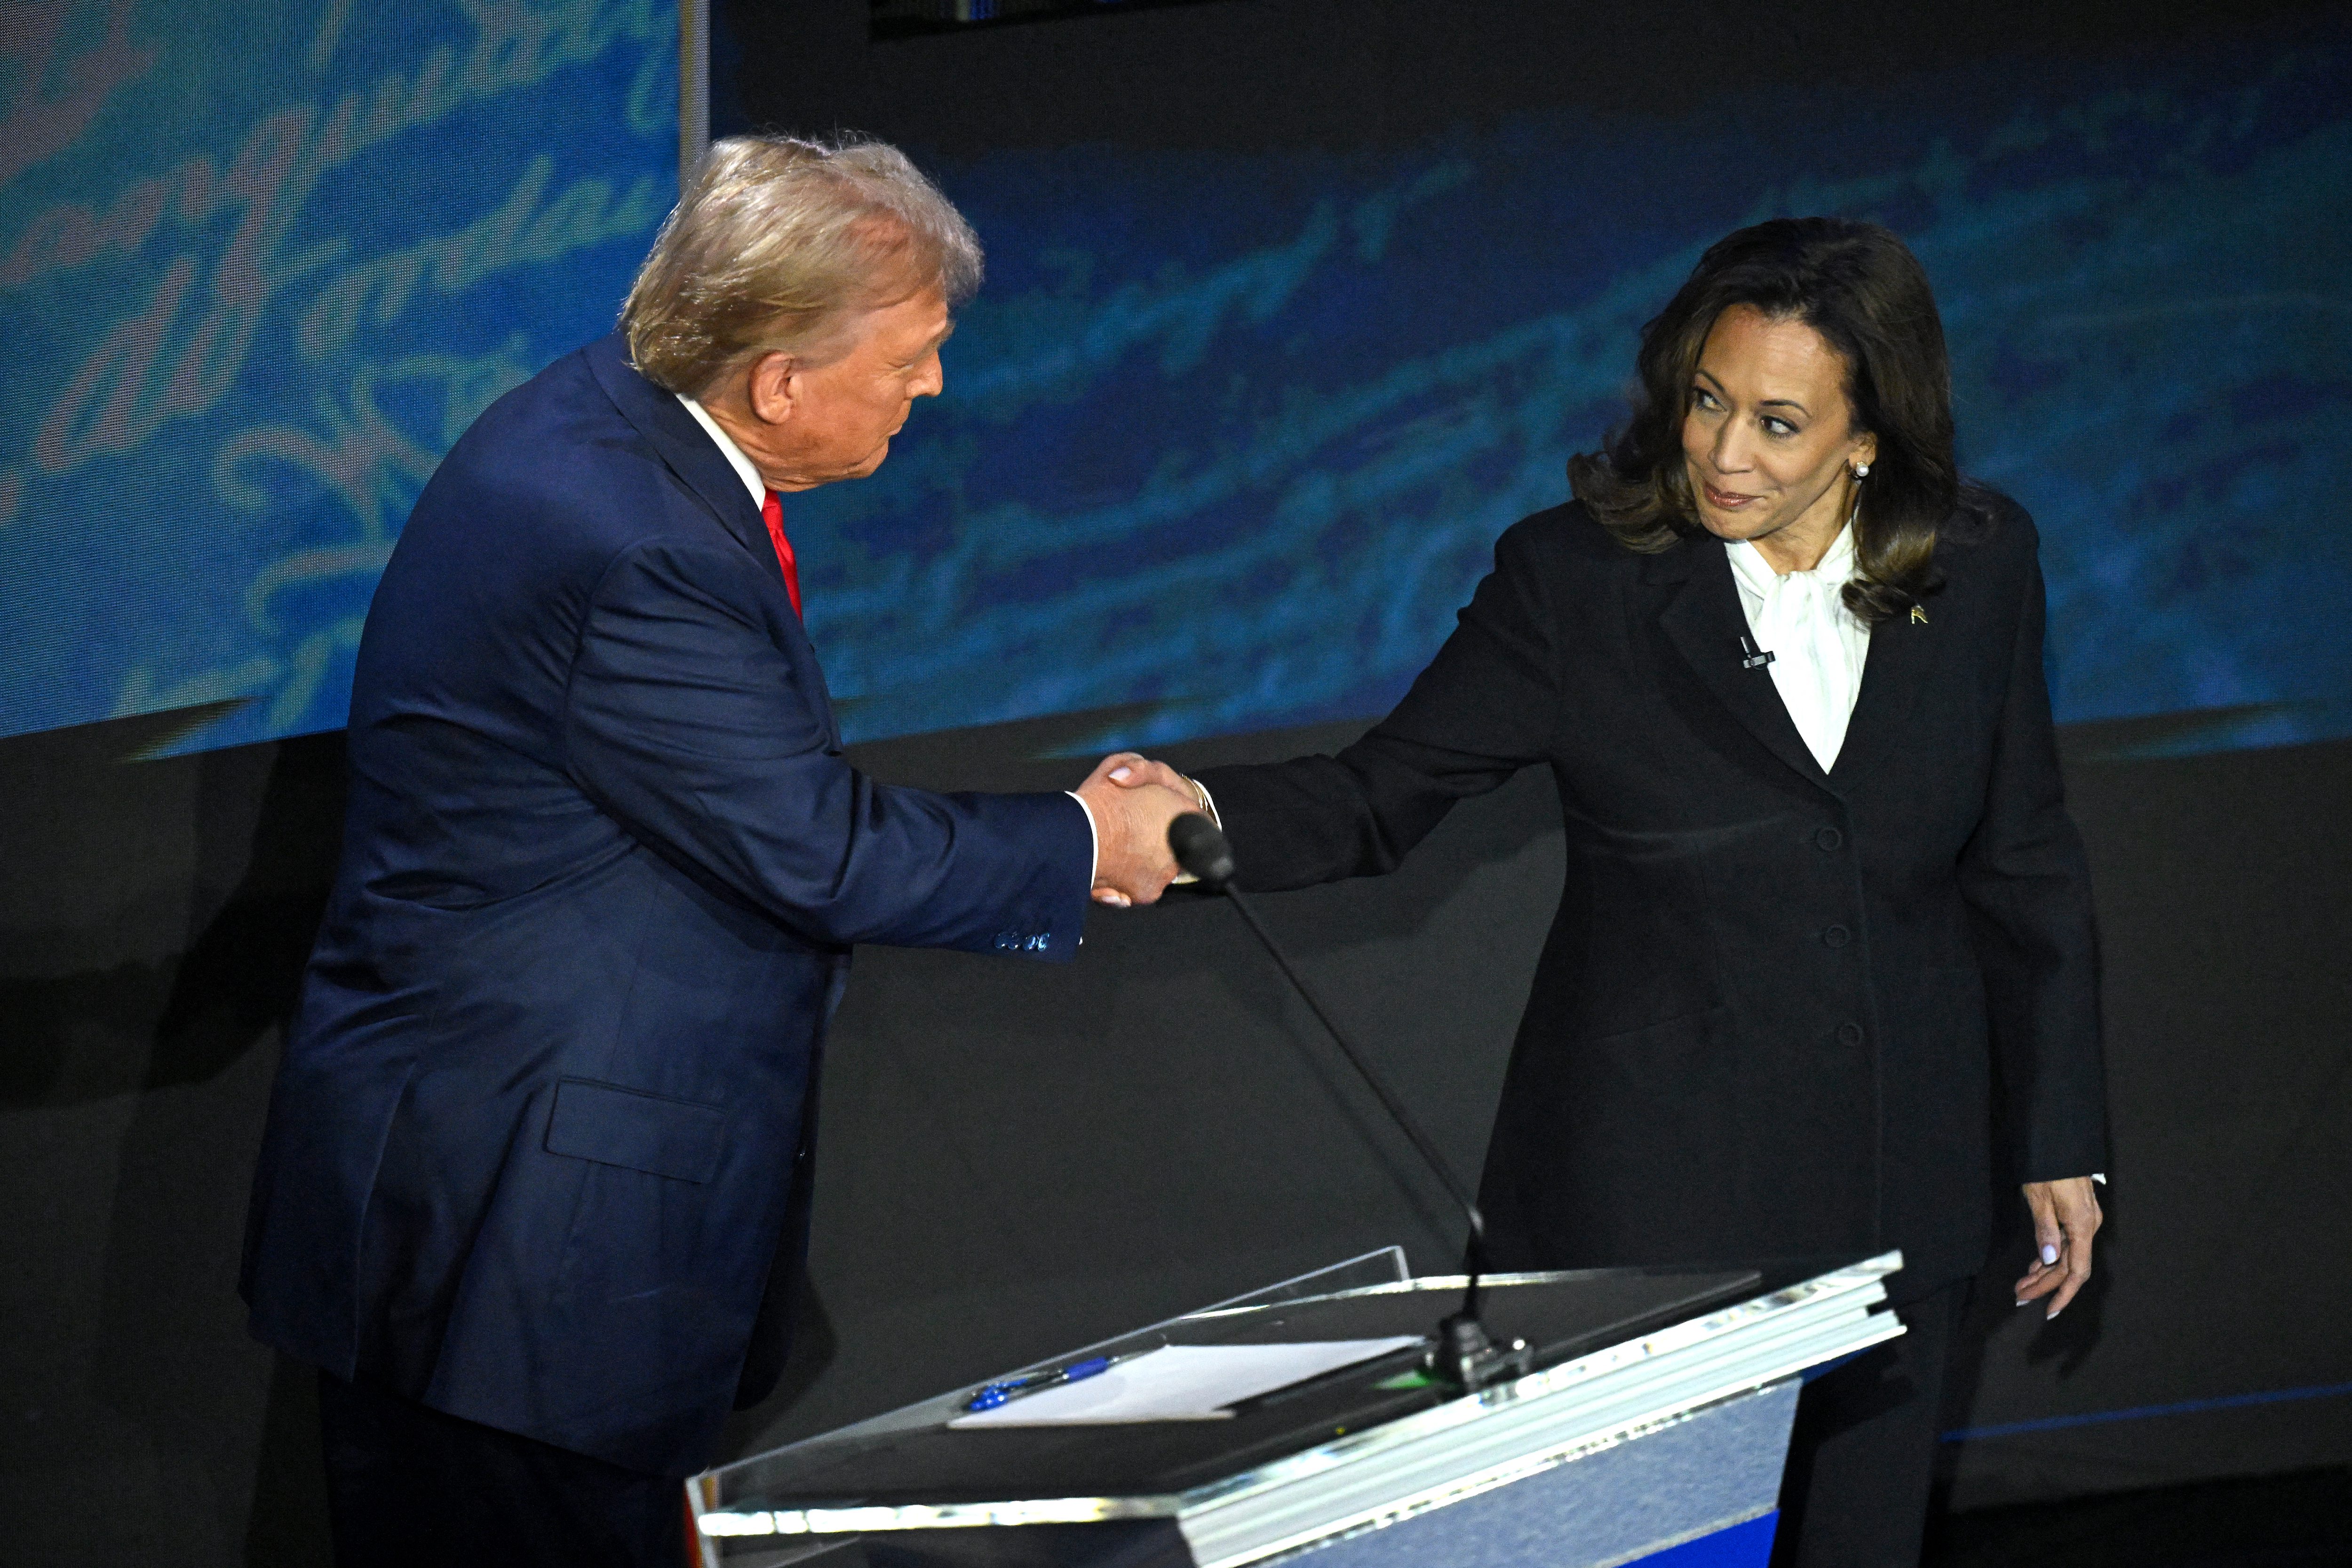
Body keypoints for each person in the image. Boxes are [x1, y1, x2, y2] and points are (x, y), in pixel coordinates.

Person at [238, 135, 1194, 1568]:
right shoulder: (641, 547)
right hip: (526, 1252)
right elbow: (815, 848)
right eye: (911, 359)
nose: (931, 389)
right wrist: (1087, 840)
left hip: (477, 1205)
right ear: (779, 382)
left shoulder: (597, 421)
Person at [1115, 217, 2108, 1567]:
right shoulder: (1576, 581)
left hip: (1904, 1187)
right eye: (1707, 401)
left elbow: (2024, 860)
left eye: (1777, 422)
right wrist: (1187, 826)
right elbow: (1378, 795)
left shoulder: (1982, 563)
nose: (1725, 453)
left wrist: (2059, 1134)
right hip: (1653, 1212)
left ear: (1868, 437)